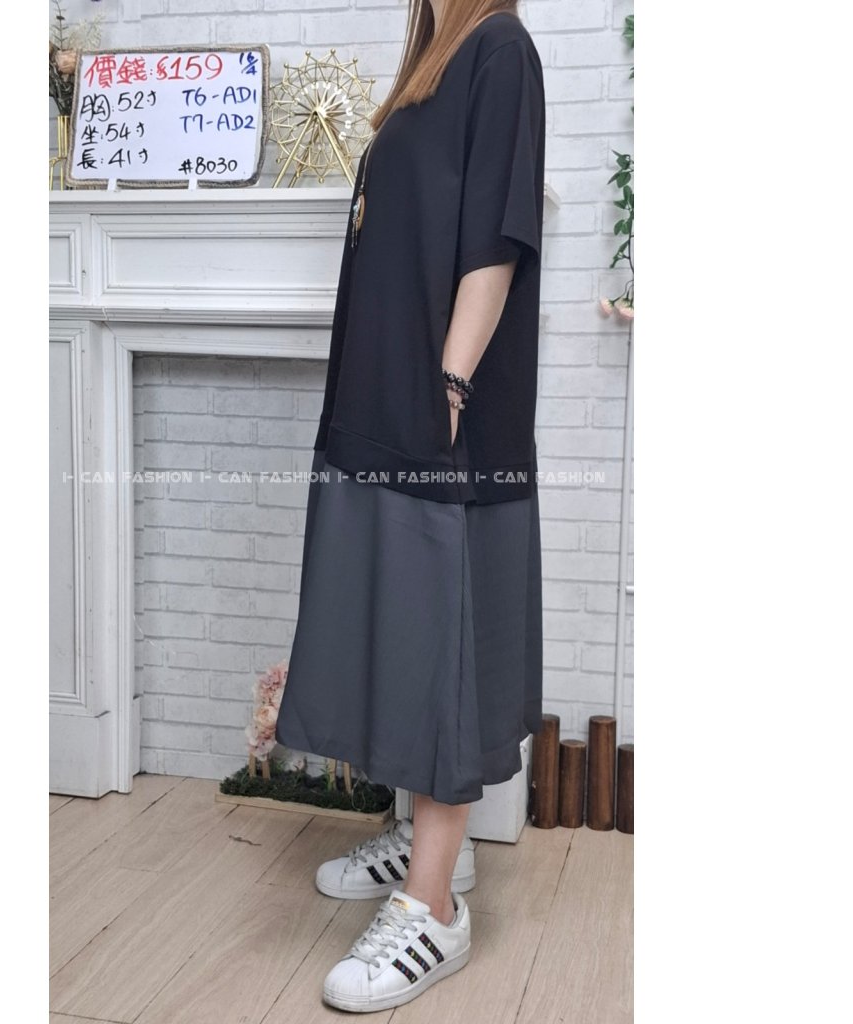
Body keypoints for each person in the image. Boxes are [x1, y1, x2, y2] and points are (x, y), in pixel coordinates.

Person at [273, 0, 546, 1012]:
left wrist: (451, 384)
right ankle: (428, 847)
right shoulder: (429, 60)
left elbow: (498, 237)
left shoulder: (501, 48)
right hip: (381, 399)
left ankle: (433, 907)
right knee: (396, 621)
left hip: (440, 411)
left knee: (441, 638)